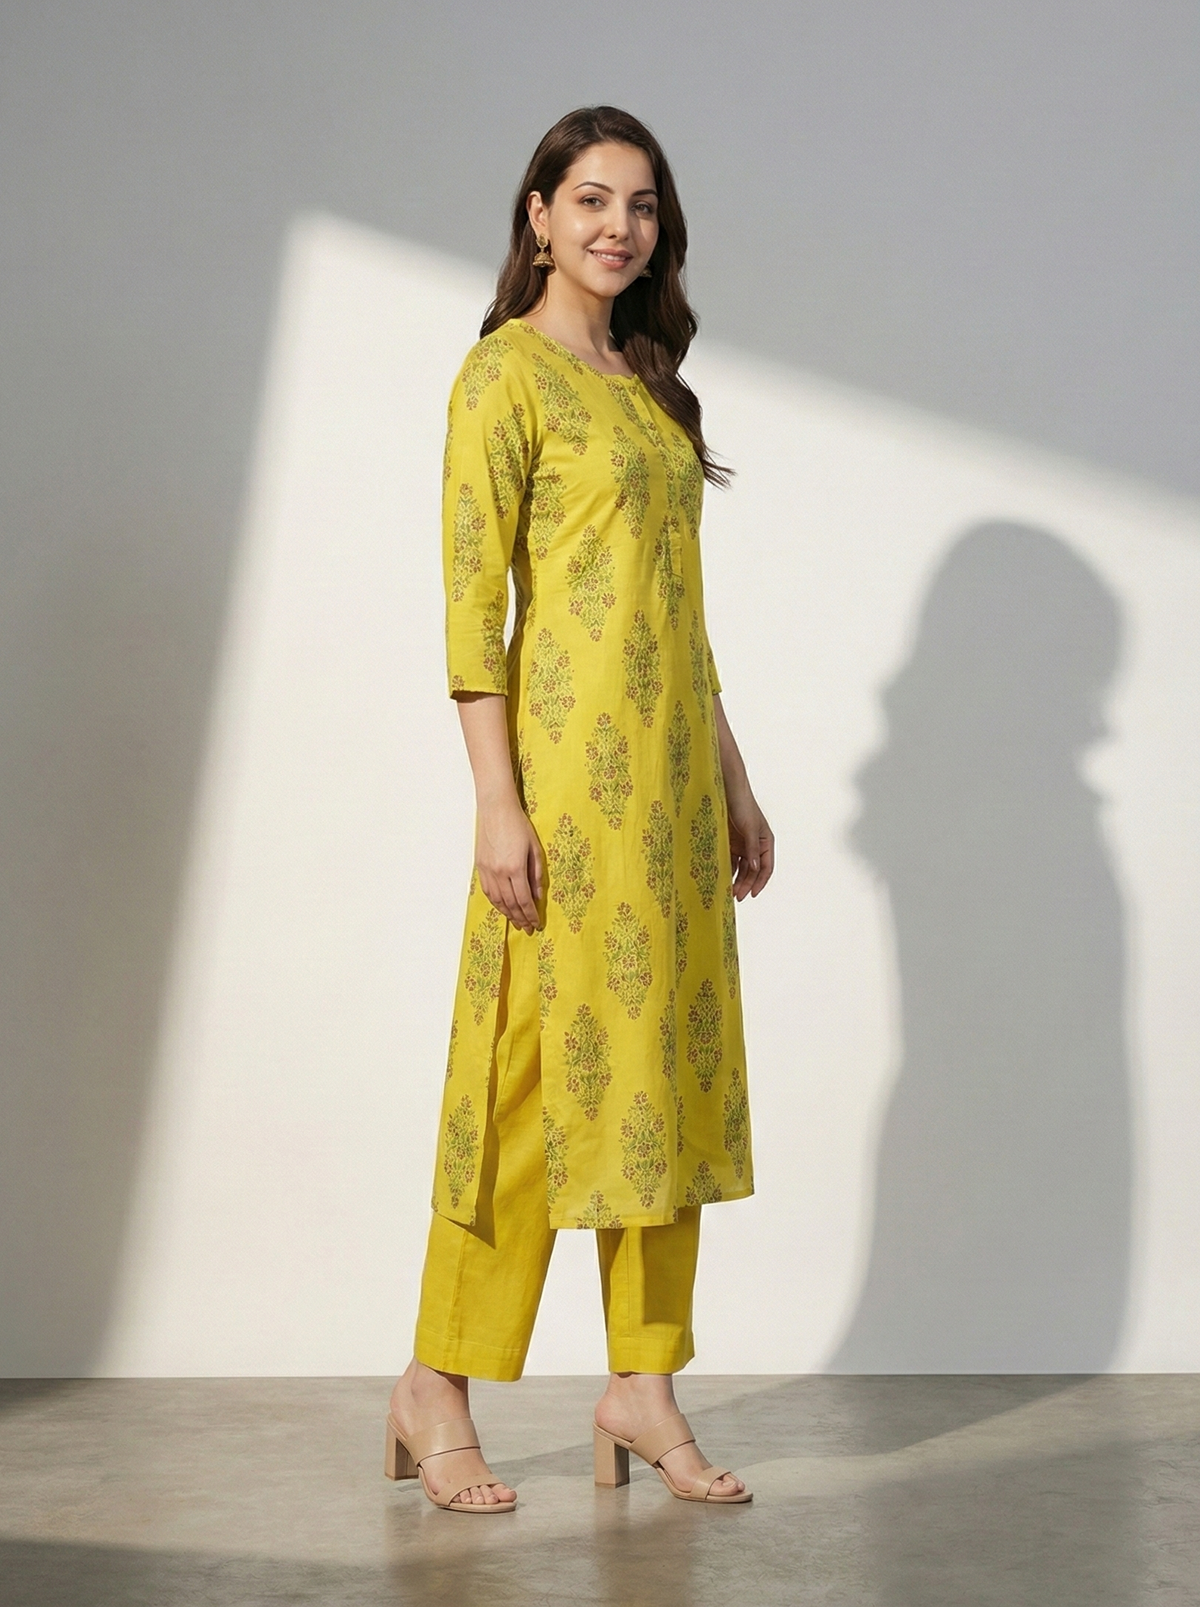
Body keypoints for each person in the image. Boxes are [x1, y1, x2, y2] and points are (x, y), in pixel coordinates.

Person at [385, 105, 774, 1514]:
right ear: (539, 216)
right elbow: (471, 607)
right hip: (562, 793)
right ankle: (436, 1385)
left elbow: (681, 614)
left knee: (659, 1079)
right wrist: (497, 803)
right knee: (526, 1091)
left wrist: (732, 780)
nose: (621, 226)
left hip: (671, 802)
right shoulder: (504, 376)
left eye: (643, 205)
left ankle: (643, 1383)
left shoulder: (654, 388)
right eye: (594, 199)